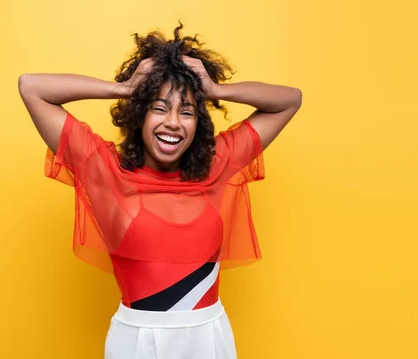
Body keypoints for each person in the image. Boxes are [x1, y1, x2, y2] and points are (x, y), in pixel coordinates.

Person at [18, 23, 302, 359]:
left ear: (199, 123)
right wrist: (125, 89)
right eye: (158, 107)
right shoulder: (105, 170)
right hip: (137, 340)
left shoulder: (218, 165)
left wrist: (213, 88)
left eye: (187, 111)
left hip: (209, 336)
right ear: (139, 114)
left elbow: (289, 100)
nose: (173, 122)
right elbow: (31, 87)